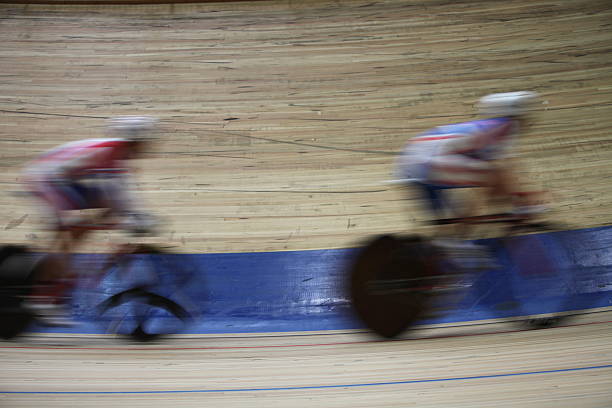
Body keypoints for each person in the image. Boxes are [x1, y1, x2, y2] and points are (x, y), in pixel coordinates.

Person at [21, 116, 158, 325]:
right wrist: (133, 219)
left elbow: (122, 194)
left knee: (97, 216)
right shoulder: (110, 152)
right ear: (136, 140)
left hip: (61, 179)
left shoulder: (118, 154)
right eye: (147, 141)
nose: (149, 145)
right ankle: (40, 299)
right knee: (67, 234)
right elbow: (116, 191)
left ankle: (58, 284)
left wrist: (138, 216)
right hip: (45, 179)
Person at [395, 91, 545, 224]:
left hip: (411, 163)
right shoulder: (506, 126)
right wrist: (518, 198)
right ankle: (518, 209)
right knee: (494, 174)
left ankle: (454, 236)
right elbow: (504, 169)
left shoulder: (488, 124)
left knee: (490, 176)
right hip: (430, 164)